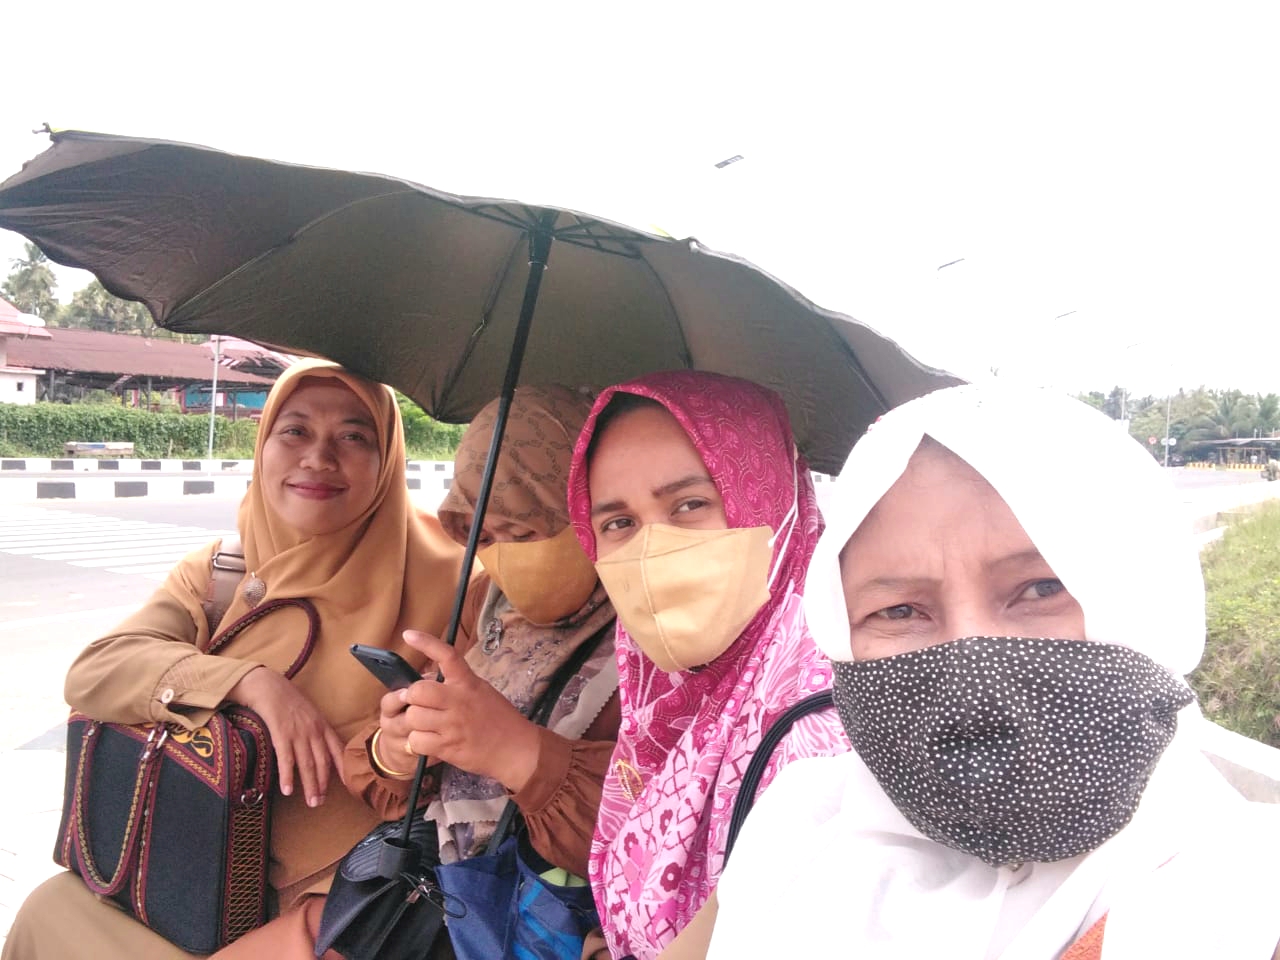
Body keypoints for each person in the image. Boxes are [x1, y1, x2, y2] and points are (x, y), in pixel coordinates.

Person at [703, 383, 1280, 959]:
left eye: (1042, 589)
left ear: (1149, 600)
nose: (970, 675)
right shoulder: (795, 826)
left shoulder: (1245, 897)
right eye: (899, 611)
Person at [2, 360, 465, 960]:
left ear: (387, 461)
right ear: (263, 444)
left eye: (354, 437)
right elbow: (97, 669)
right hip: (187, 870)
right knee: (49, 913)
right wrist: (249, 681)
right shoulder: (223, 571)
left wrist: (396, 748)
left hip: (345, 906)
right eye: (294, 431)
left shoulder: (454, 586)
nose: (318, 458)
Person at [564, 370, 849, 960]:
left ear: (768, 498)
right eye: (618, 523)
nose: (651, 549)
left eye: (690, 504)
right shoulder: (660, 684)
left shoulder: (825, 726)